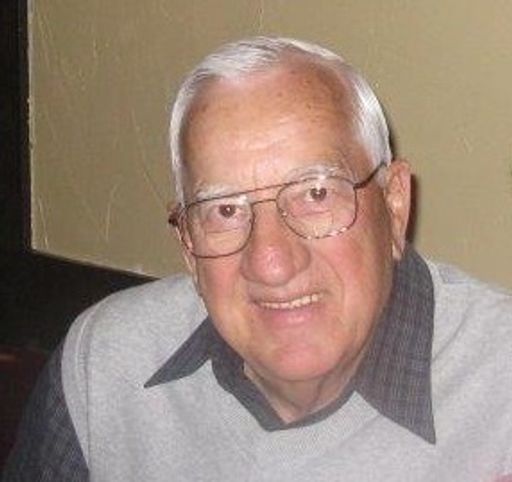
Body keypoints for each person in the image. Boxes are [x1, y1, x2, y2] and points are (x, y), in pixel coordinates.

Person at [4, 36, 512, 482]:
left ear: (394, 204)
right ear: (188, 244)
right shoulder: (105, 367)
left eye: (316, 193)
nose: (271, 262)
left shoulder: (500, 388)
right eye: (224, 210)